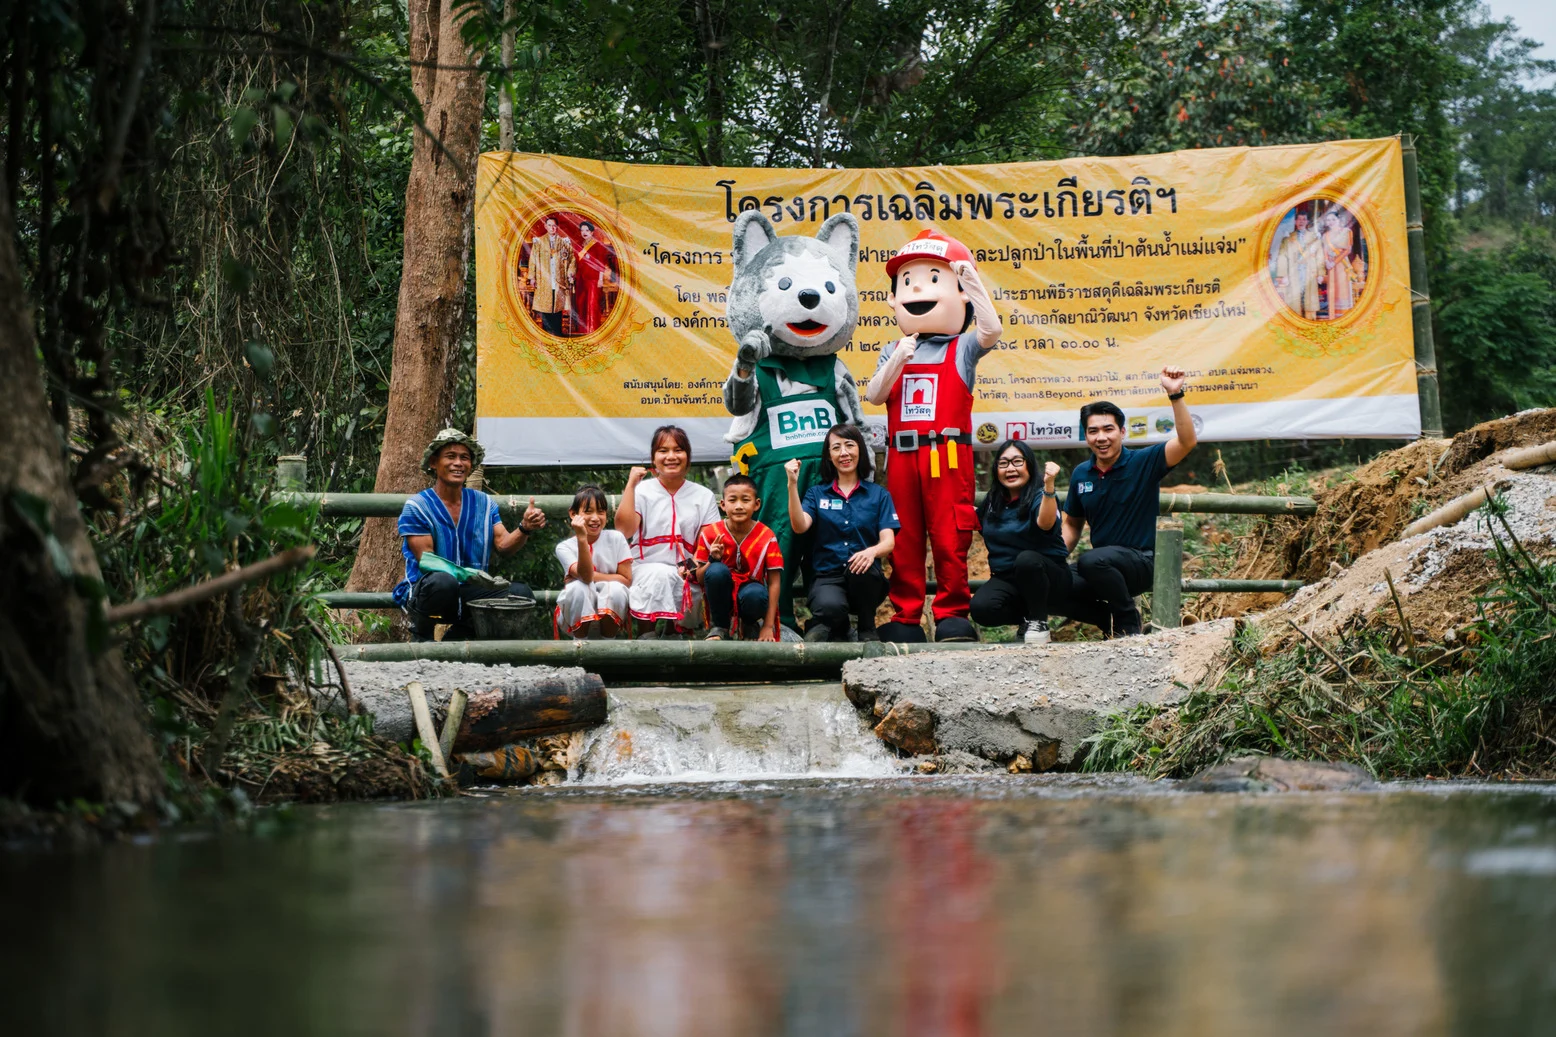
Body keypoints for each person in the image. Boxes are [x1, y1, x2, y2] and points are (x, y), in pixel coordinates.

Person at [865, 228, 1003, 644]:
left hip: (947, 454)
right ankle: (906, 616)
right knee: (902, 536)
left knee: (949, 534)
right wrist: (898, 359)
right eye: (907, 280)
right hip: (902, 457)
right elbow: (874, 395)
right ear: (894, 297)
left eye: (934, 277)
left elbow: (992, 331)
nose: (918, 287)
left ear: (958, 292)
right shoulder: (893, 349)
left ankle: (951, 615)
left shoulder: (962, 347)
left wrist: (971, 280)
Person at [1062, 367, 1198, 637]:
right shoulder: (1081, 473)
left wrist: (1175, 394)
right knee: (1052, 582)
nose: (1101, 437)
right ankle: (1110, 620)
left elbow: (1187, 441)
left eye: (1108, 429)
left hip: (1143, 562)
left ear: (1122, 432)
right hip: (1102, 567)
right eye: (1093, 431)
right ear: (1086, 436)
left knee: (1092, 561)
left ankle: (1128, 624)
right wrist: (1053, 558)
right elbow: (1073, 525)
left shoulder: (1143, 462)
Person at [393, 428, 547, 641]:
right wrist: (467, 574)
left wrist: (524, 527)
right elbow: (427, 560)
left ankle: (456, 640)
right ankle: (422, 637)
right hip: (430, 594)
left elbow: (503, 545)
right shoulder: (417, 506)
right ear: (433, 463)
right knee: (442, 582)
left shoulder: (485, 503)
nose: (458, 463)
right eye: (450, 456)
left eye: (464, 458)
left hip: (471, 594)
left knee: (521, 595)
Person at [784, 424, 898, 642]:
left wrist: (871, 552)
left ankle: (867, 627)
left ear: (860, 451)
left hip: (865, 579)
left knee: (861, 570)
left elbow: (888, 542)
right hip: (827, 577)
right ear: (829, 455)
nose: (844, 453)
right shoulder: (816, 493)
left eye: (849, 445)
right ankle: (840, 626)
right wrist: (792, 484)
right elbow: (800, 526)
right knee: (829, 608)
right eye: (836, 448)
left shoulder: (878, 494)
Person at [616, 425, 720, 637]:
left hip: (688, 570)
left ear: (688, 457)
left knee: (683, 579)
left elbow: (706, 544)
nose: (671, 456)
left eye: (678, 450)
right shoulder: (641, 490)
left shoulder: (703, 495)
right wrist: (630, 485)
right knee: (659, 574)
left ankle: (674, 635)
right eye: (663, 450)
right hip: (644, 568)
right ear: (653, 458)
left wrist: (690, 568)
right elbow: (624, 530)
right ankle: (647, 637)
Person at [969, 440, 1070, 645]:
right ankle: (1028, 618)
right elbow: (976, 521)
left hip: (1048, 576)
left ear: (1029, 465)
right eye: (1003, 463)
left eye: (1017, 461)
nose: (1010, 468)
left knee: (1026, 560)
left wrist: (1049, 486)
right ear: (996, 469)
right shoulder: (993, 500)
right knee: (981, 608)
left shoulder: (1041, 495)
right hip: (1008, 579)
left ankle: (1038, 622)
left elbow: (1045, 524)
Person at [690, 475, 784, 641]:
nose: (739, 506)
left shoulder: (766, 536)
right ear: (723, 505)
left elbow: (774, 582)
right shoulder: (710, 534)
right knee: (716, 570)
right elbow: (700, 578)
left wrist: (768, 627)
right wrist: (713, 559)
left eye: (745, 500)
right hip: (721, 594)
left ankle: (750, 625)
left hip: (750, 595)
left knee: (756, 594)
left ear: (757, 504)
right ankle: (721, 628)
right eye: (732, 500)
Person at [554, 484, 632, 639]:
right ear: (573, 514)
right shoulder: (564, 547)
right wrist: (582, 538)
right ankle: (580, 645)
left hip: (611, 614)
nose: (595, 518)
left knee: (616, 589)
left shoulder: (616, 538)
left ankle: (607, 642)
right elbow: (585, 577)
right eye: (588, 512)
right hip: (576, 617)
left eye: (601, 512)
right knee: (577, 588)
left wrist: (590, 576)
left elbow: (626, 580)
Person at [528, 215, 574, 336]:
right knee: (546, 306)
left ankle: (557, 333)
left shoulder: (564, 242)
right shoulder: (539, 242)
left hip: (559, 280)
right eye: (549, 225)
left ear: (557, 227)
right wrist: (532, 277)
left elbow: (572, 259)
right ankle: (547, 334)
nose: (552, 228)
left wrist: (570, 273)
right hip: (544, 280)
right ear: (545, 226)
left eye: (554, 226)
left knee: (557, 307)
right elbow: (533, 259)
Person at [1273, 210, 1323, 319]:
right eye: (1299, 219)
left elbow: (1320, 256)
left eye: (1304, 219)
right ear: (1295, 221)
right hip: (1294, 273)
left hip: (1310, 272)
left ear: (1307, 221)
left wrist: (1321, 273)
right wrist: (1283, 275)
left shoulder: (1314, 237)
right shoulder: (1288, 239)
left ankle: (1311, 323)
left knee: (1309, 300)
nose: (1301, 222)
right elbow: (1282, 257)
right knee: (1295, 301)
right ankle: (1296, 324)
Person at [572, 220, 615, 335]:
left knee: (592, 305)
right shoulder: (580, 245)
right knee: (582, 304)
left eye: (587, 230)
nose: (584, 232)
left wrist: (601, 278)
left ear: (591, 232)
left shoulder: (598, 246)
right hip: (581, 279)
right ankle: (583, 331)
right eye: (582, 230)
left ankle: (593, 331)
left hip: (593, 279)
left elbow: (601, 263)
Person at [1321, 209, 1355, 317]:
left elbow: (1348, 250)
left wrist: (1334, 262)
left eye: (1333, 219)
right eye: (1328, 220)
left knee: (1343, 291)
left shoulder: (1346, 231)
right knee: (1333, 291)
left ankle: (1345, 316)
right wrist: (1327, 261)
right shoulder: (1325, 235)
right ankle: (1333, 316)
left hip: (1342, 265)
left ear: (1338, 220)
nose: (1331, 222)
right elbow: (1325, 250)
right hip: (1330, 266)